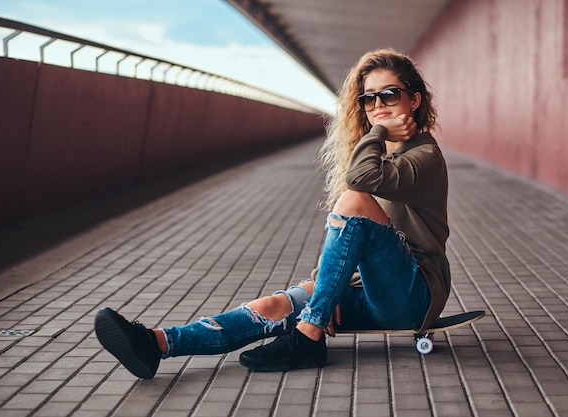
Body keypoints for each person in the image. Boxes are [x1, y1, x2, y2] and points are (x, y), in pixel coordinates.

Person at [94, 48, 451, 378]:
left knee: (354, 200)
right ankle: (157, 343)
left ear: (414, 99)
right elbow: (351, 237)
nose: (378, 105)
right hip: (367, 291)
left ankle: (308, 336)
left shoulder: (425, 156)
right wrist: (324, 291)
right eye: (368, 98)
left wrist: (375, 133)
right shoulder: (378, 152)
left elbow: (358, 181)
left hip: (412, 295)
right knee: (272, 305)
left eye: (389, 94)